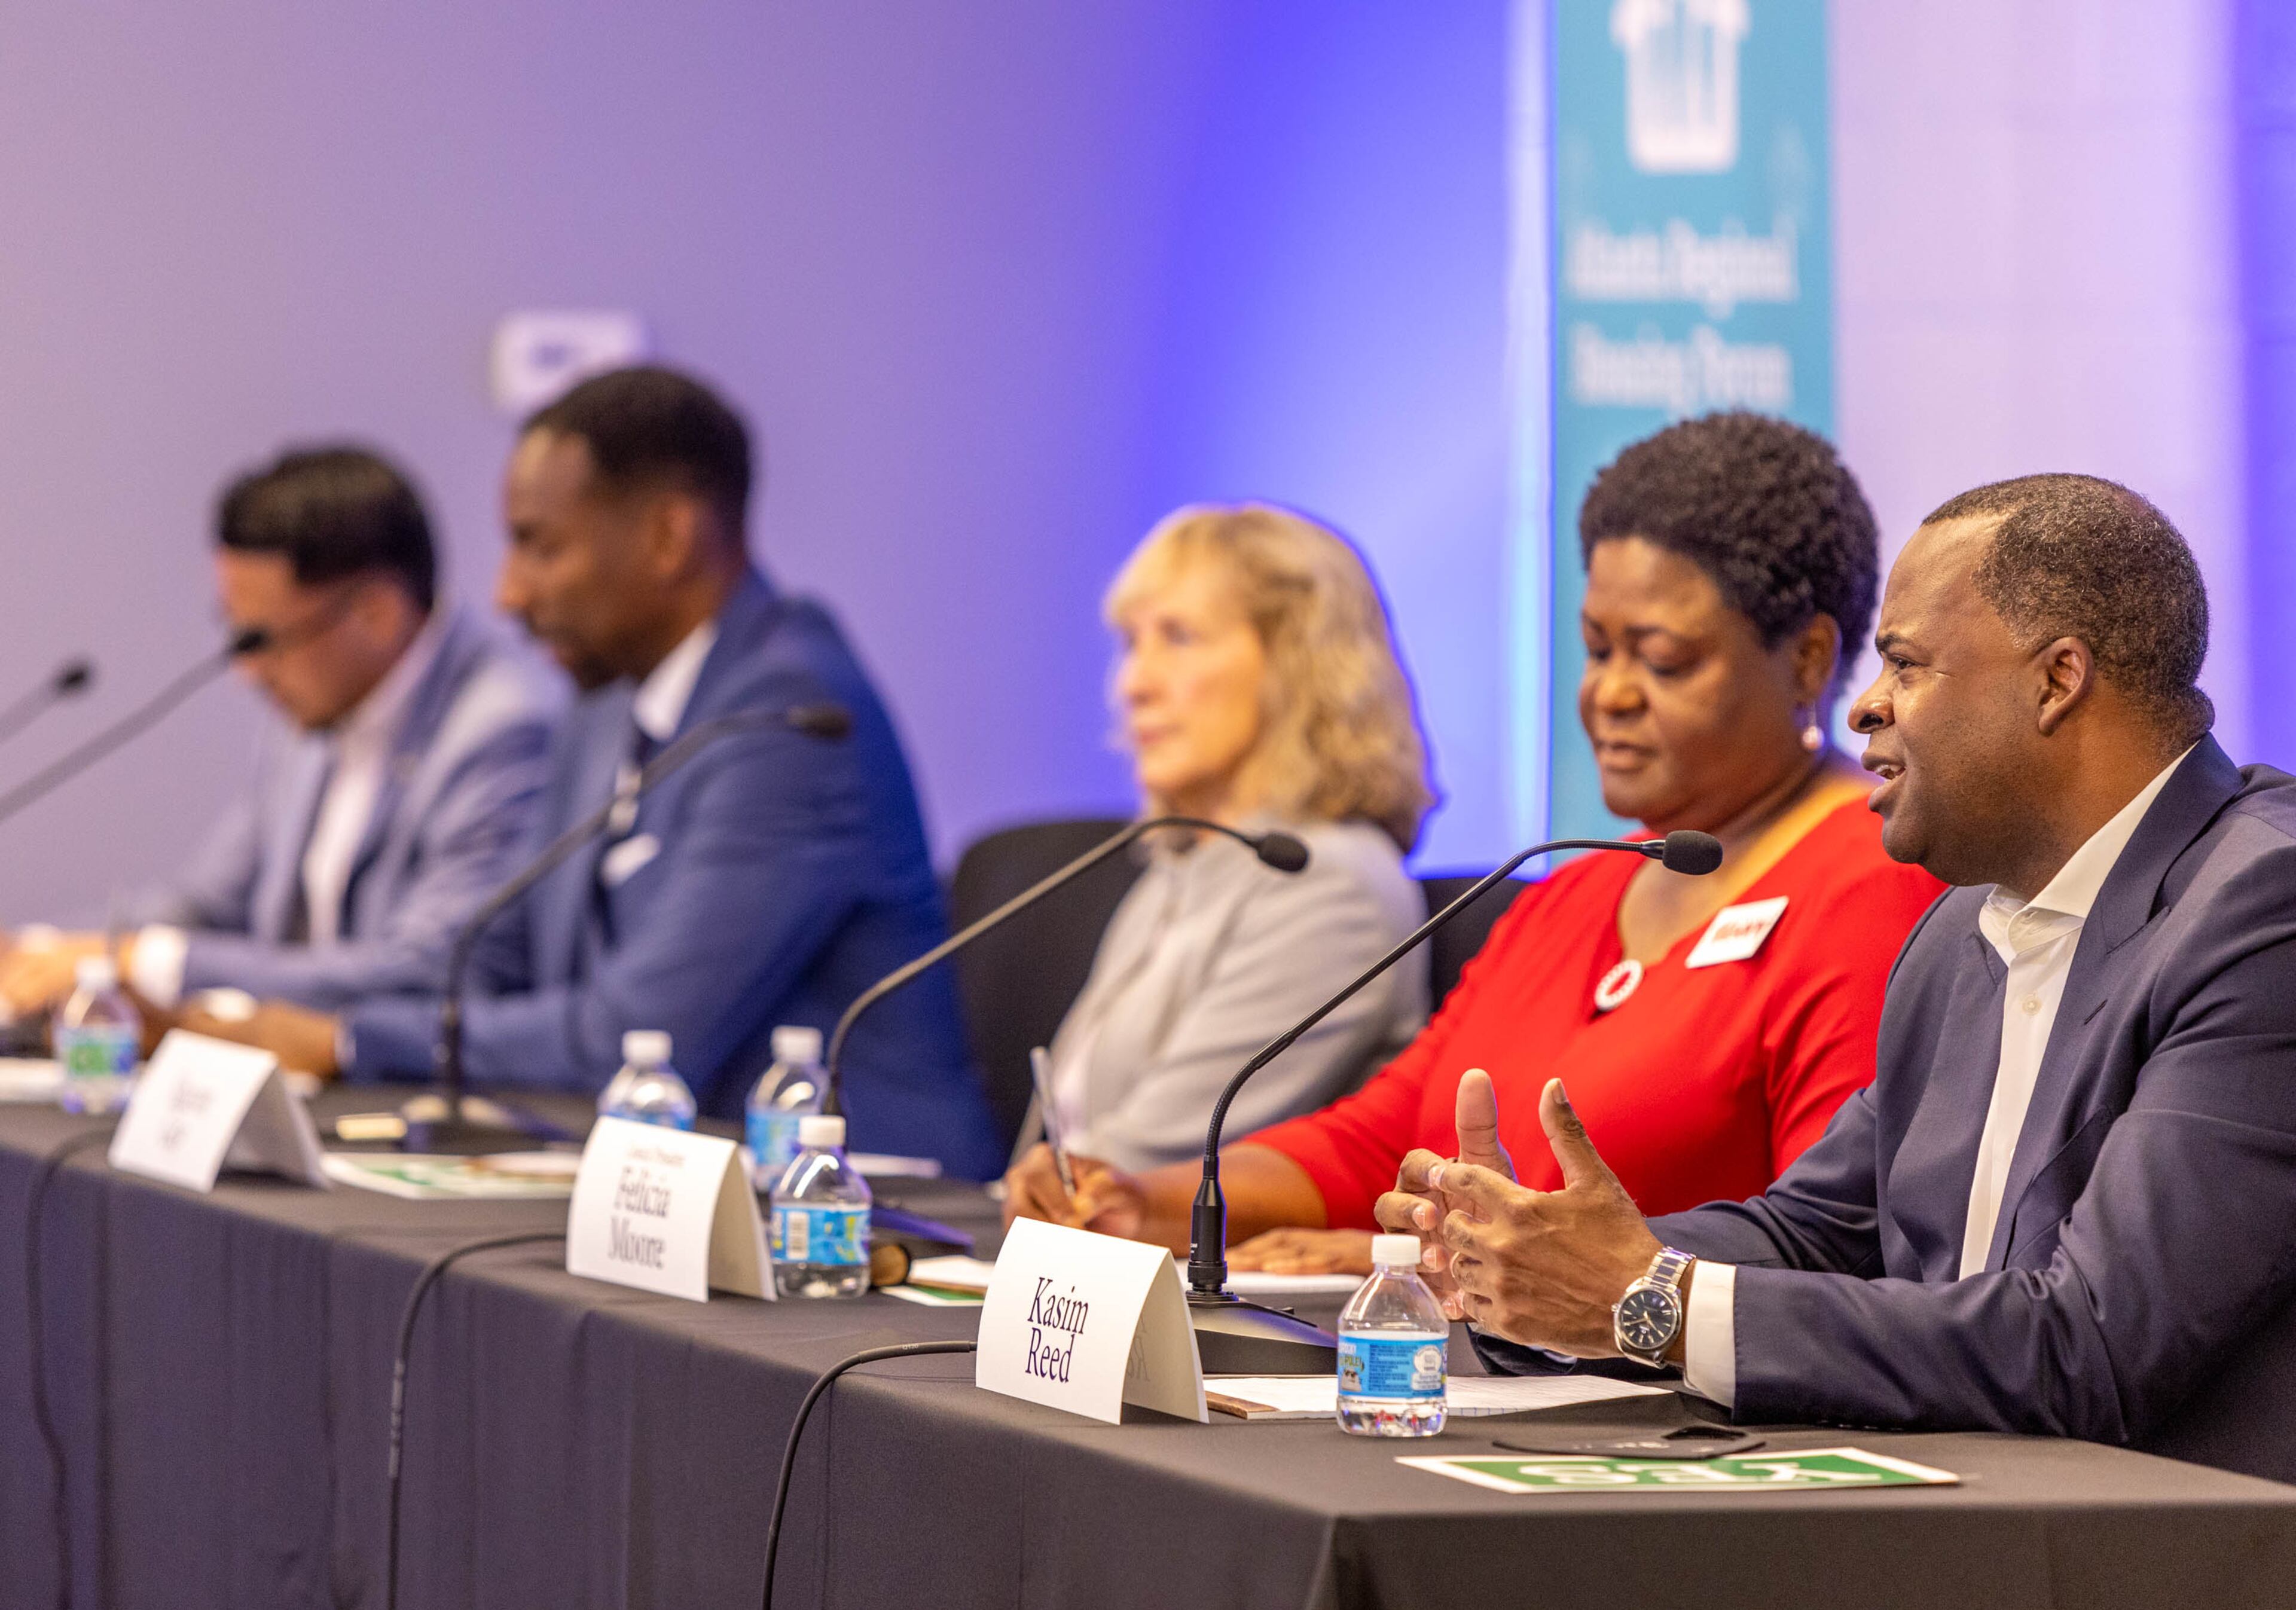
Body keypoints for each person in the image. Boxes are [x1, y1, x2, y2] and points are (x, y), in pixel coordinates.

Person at [1388, 473, 2296, 1483]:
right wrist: (1534, 1256)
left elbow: (2094, 1342)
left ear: (2058, 680)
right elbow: (1816, 1229)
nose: (1867, 704)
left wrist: (1652, 1298)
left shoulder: (2263, 910)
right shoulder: (1964, 925)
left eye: (1904, 663)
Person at [1006, 413, 1946, 1266]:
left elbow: (1830, 1241)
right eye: (1597, 649)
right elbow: (1377, 1140)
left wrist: (1404, 1261)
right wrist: (1151, 1200)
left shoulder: (1869, 887)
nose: (1610, 693)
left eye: (1662, 659)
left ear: (1811, 659)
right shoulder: (1574, 892)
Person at [191, 366, 1003, 1178]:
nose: (507, 594)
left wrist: (344, 1039)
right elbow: (490, 956)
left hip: (866, 1213)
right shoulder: (606, 699)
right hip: (671, 1185)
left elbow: (636, 1034)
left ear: (668, 539)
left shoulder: (790, 717)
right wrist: (256, 1010)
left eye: (540, 546)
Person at [0, 447, 559, 1015]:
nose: (247, 674)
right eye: (235, 636)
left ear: (376, 614)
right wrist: (37, 952)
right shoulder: (312, 710)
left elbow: (429, 969)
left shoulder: (502, 728)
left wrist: (147, 962)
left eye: (261, 641)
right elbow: (208, 904)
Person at [1007, 504, 1433, 1175]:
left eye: (1178, 637)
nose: (1134, 683)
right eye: (1130, 643)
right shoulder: (1182, 867)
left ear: (1298, 664)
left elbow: (1140, 1166)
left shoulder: (1333, 885)